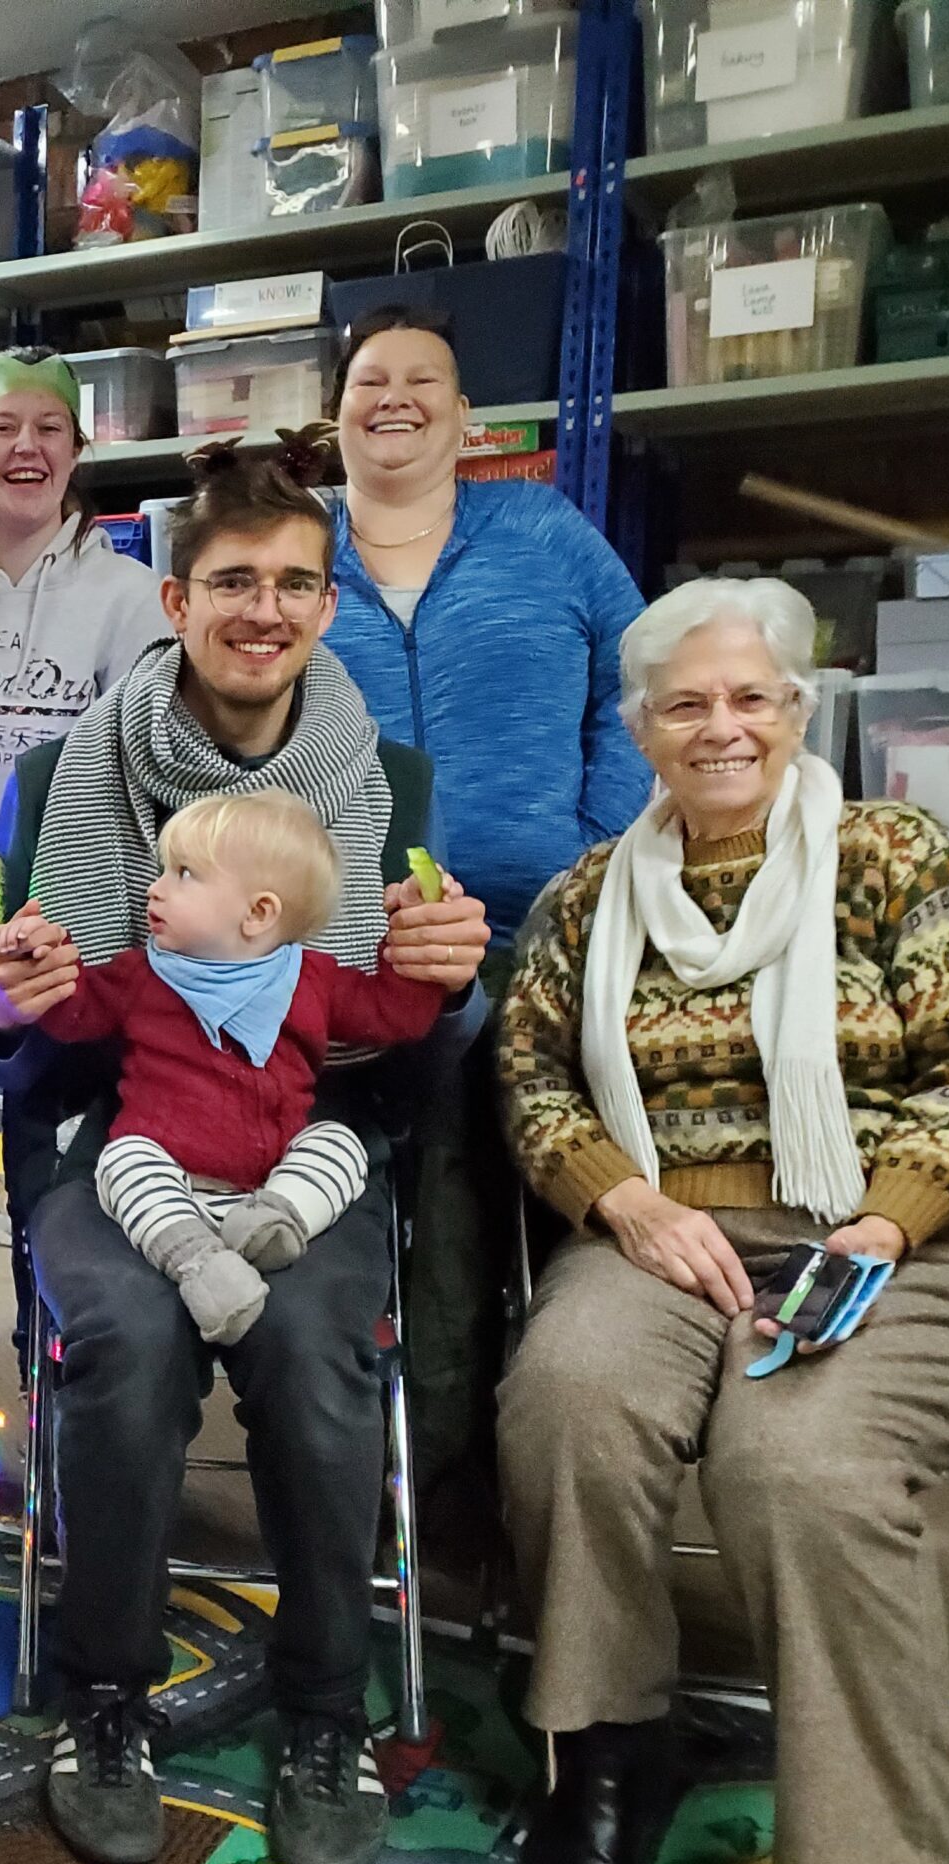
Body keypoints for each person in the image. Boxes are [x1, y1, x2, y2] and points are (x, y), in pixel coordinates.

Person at [495, 576, 949, 1864]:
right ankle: (611, 1755)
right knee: (569, 1399)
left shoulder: (901, 854)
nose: (719, 726)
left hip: (900, 1240)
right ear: (643, 730)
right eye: (686, 703)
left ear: (797, 709)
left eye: (749, 697)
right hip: (664, 1233)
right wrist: (625, 1199)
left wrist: (881, 1220)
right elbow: (533, 1077)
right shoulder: (586, 898)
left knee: (795, 1458)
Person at [0, 452, 488, 1864]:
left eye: (291, 582)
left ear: (328, 603)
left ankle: (327, 1709)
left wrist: (454, 985)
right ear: (175, 597)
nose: (262, 610)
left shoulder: (387, 784)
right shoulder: (69, 769)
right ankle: (105, 1695)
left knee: (320, 1349)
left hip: (302, 1148)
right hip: (119, 1140)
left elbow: (401, 1042)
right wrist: (13, 1006)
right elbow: (39, 1031)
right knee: (131, 1350)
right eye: (231, 582)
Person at [319, 304, 650, 1552]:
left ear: (469, 419)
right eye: (369, 379)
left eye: (425, 382)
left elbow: (641, 678)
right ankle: (440, 1462)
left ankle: (474, 1454)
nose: (394, 397)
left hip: (549, 930)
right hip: (356, 942)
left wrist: (589, 856)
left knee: (488, 1110)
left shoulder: (547, 534)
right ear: (335, 411)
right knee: (431, 1112)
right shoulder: (296, 554)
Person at [0, 790, 448, 1343]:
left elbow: (392, 1015)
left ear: (259, 914)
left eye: (183, 874)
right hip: (167, 1176)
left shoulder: (312, 979)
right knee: (122, 1159)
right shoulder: (143, 974)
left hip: (274, 1178)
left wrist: (413, 949)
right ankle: (198, 1261)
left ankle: (279, 1223)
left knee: (341, 1144)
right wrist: (38, 960)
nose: (155, 888)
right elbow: (72, 1013)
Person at [0, 348, 169, 837]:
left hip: (69, 890)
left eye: (49, 428)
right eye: (3, 427)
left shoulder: (133, 598)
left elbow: (145, 772)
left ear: (75, 450)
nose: (26, 446)